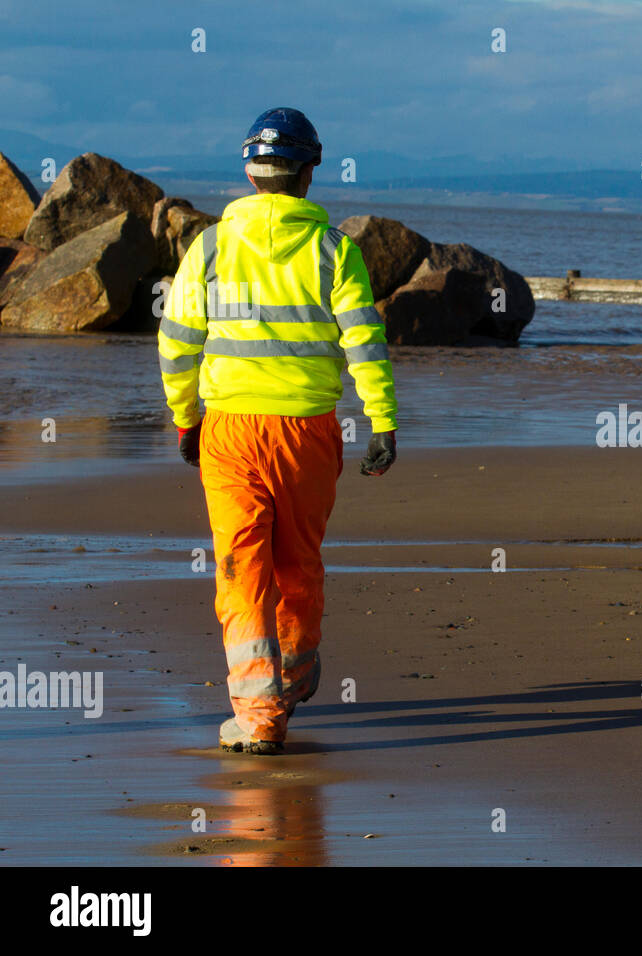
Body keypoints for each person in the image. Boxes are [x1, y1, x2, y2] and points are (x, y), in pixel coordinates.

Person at [158, 107, 398, 755]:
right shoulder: (335, 252)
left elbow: (177, 341)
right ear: (311, 172)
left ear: (248, 170)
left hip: (230, 430)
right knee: (298, 558)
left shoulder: (208, 248)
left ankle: (260, 715)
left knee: (242, 566)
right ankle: (293, 670)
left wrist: (185, 415)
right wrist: (383, 420)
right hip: (310, 433)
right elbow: (365, 345)